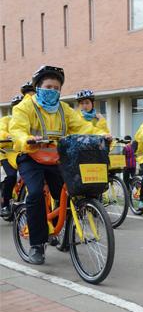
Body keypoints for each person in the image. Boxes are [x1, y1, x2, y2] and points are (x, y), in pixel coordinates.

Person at [9, 65, 109, 264]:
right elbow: (16, 129)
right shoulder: (25, 107)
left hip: (56, 158)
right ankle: (37, 245)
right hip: (30, 157)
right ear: (38, 87)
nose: (53, 91)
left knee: (68, 192)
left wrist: (102, 136)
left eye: (56, 88)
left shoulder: (64, 109)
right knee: (36, 193)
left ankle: (62, 232)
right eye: (48, 86)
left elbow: (83, 127)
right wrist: (26, 139)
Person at [0, 95, 24, 219]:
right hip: (5, 153)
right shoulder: (6, 120)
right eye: (17, 106)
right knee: (11, 176)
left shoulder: (27, 120)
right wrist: (7, 135)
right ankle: (5, 204)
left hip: (20, 153)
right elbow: (1, 131)